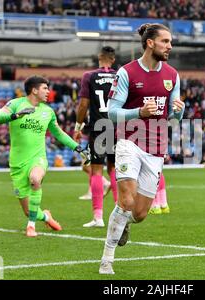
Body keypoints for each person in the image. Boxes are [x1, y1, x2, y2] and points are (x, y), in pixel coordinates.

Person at [99, 23, 185, 274]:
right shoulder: (127, 73)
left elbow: (173, 117)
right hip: (129, 142)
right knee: (126, 198)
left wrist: (179, 112)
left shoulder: (173, 75)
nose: (170, 46)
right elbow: (112, 112)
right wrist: (138, 112)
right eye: (165, 41)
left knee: (139, 214)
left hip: (156, 147)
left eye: (170, 42)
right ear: (150, 43)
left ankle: (124, 221)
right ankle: (107, 259)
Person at [0, 76, 91, 237]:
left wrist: (78, 148)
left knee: (35, 179)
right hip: (17, 163)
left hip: (38, 158)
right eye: (45, 88)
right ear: (34, 90)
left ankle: (31, 226)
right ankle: (45, 216)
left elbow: (58, 134)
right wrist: (16, 115)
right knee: (28, 210)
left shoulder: (48, 111)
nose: (48, 92)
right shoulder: (16, 104)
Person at [74, 46, 119, 228]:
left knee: (97, 171)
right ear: (113, 59)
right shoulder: (121, 75)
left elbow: (84, 104)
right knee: (115, 169)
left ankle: (98, 217)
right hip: (117, 127)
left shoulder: (89, 76)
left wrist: (78, 126)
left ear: (99, 58)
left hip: (99, 127)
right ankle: (119, 214)